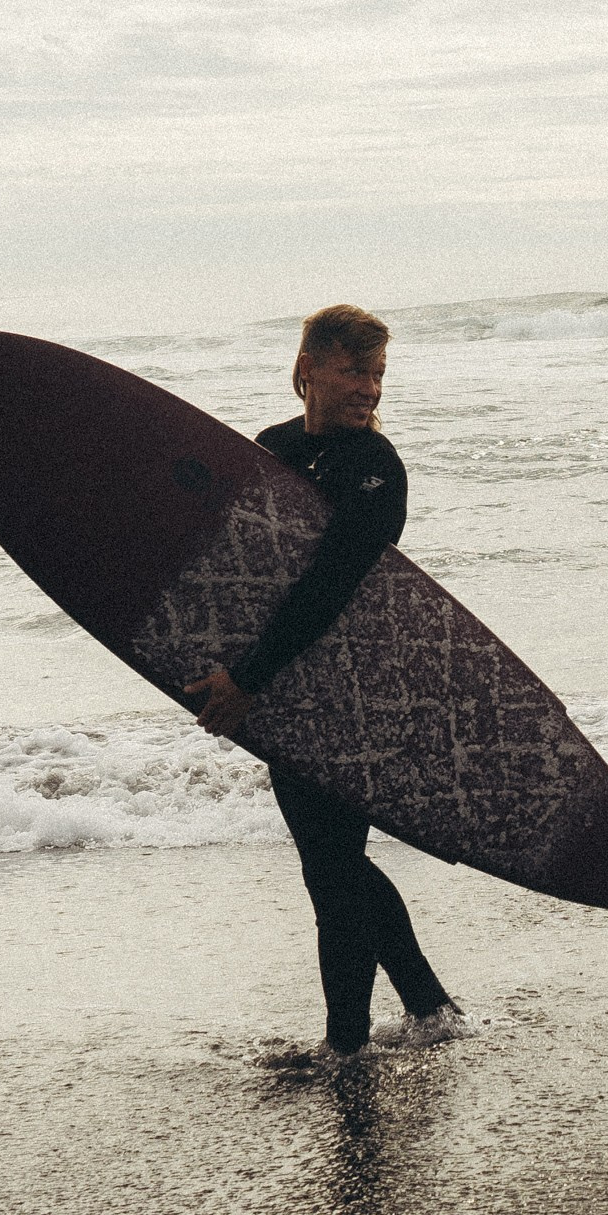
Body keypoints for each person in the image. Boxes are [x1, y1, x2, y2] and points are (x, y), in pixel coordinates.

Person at [185, 305, 460, 1059]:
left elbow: (330, 587)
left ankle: (347, 1045)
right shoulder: (270, 449)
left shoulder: (375, 469)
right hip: (285, 691)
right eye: (352, 370)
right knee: (330, 861)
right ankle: (431, 1006)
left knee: (333, 868)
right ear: (307, 367)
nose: (368, 388)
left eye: (377, 374)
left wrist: (246, 678)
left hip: (352, 693)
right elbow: (242, 573)